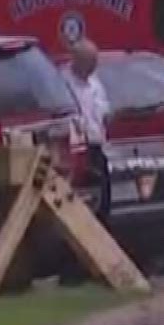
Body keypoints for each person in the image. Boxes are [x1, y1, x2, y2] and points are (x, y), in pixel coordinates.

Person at [63, 39, 113, 225]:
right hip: (77, 151)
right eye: (90, 62)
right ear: (77, 60)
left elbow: (103, 109)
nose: (94, 67)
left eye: (95, 62)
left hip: (98, 147)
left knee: (103, 202)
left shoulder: (95, 82)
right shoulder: (64, 83)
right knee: (82, 205)